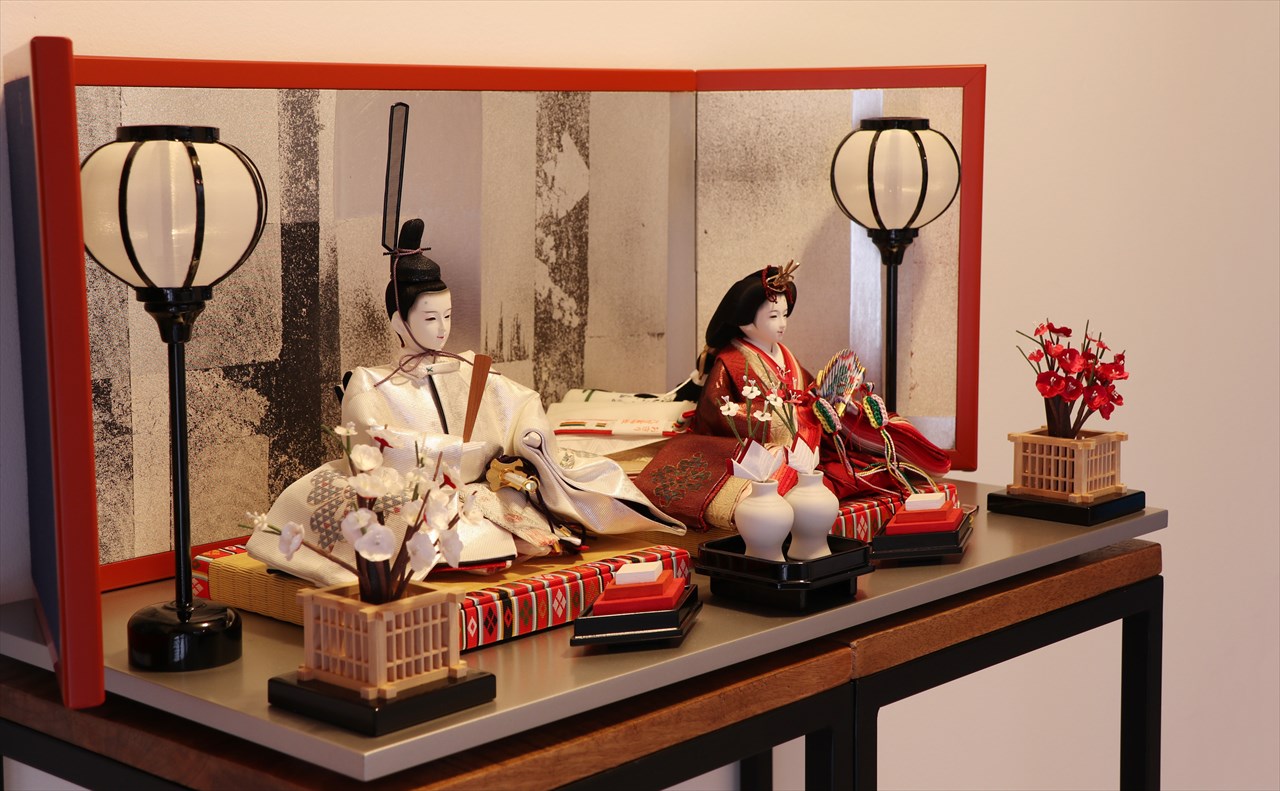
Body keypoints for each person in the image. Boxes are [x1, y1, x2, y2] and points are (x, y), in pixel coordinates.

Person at [248, 219, 684, 586]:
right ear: (399, 321)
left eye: (448, 316)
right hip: (417, 489)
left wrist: (529, 433)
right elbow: (374, 442)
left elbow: (520, 400)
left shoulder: (468, 368)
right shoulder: (371, 383)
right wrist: (454, 451)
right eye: (430, 318)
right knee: (399, 521)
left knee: (553, 500)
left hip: (482, 486)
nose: (442, 329)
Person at [639, 262, 950, 528]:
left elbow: (808, 389)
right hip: (765, 448)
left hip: (806, 443)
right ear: (745, 321)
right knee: (787, 491)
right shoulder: (730, 360)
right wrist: (782, 421)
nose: (783, 324)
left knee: (861, 460)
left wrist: (826, 402)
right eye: (773, 317)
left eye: (785, 315)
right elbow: (717, 409)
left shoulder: (784, 353)